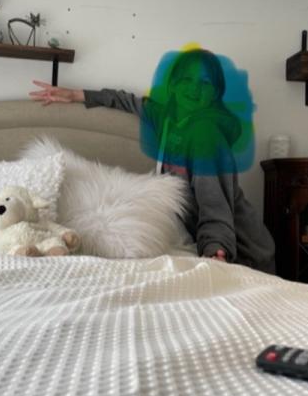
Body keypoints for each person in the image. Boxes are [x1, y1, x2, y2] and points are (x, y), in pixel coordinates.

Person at [29, 48, 275, 273]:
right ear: (174, 85)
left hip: (243, 252)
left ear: (215, 93)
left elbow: (215, 205)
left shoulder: (207, 137)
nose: (194, 89)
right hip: (206, 242)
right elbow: (126, 101)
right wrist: (75, 94)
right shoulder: (168, 118)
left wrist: (215, 252)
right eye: (186, 80)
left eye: (205, 83)